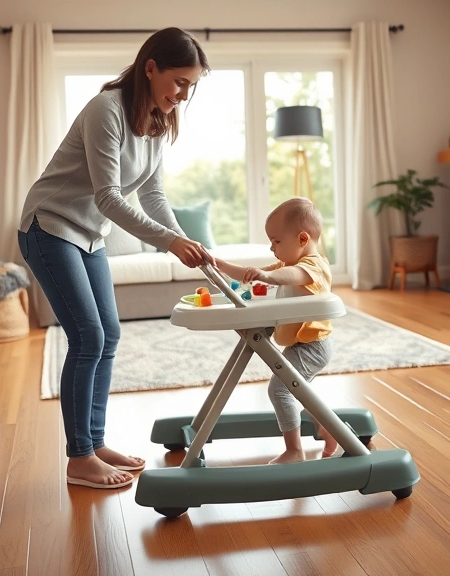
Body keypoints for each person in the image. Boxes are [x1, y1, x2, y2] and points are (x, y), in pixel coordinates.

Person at [17, 28, 213, 489]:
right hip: (49, 227)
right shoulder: (106, 110)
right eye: (180, 82)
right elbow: (108, 197)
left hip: (88, 236)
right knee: (87, 335)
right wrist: (169, 243)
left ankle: (94, 441)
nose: (183, 95)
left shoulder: (157, 123)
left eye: (192, 86)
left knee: (109, 335)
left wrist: (187, 243)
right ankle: (79, 457)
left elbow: (153, 194)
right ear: (151, 68)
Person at [214, 197, 337, 464]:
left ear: (303, 239)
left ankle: (294, 451)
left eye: (277, 241)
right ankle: (329, 429)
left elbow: (292, 277)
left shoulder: (313, 265)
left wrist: (266, 276)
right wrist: (217, 264)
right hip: (302, 344)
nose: (272, 248)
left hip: (313, 346)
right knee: (299, 390)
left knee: (279, 389)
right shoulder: (289, 264)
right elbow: (250, 273)